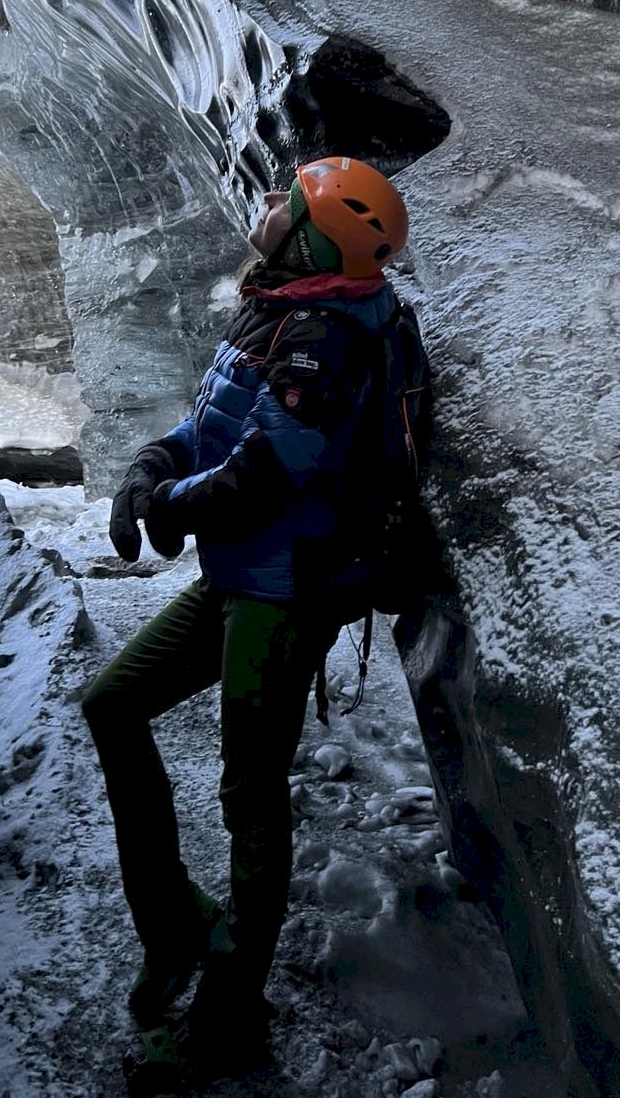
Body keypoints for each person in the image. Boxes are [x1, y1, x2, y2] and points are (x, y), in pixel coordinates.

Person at [81, 156, 410, 1085]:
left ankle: (230, 1009)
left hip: (283, 591)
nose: (267, 204)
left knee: (250, 795)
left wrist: (169, 505)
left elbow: (274, 465)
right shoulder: (282, 304)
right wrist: (149, 467)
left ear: (318, 234)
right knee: (112, 703)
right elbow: (212, 428)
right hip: (239, 577)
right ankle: (182, 926)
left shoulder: (324, 333)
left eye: (289, 199)